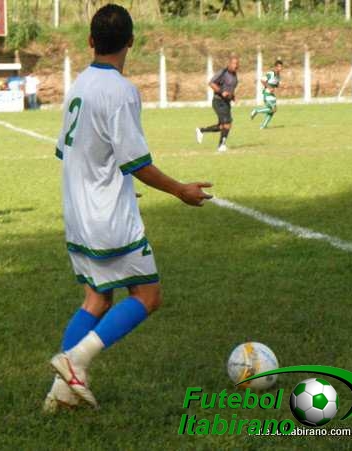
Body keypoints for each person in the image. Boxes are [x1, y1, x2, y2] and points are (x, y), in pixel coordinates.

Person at [45, 4, 213, 412]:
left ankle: (60, 393)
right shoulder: (121, 91)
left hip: (78, 211)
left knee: (97, 299)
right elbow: (136, 162)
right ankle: (75, 361)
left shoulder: (79, 83)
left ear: (90, 40)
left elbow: (73, 151)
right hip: (108, 218)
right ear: (132, 41)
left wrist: (112, 186)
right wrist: (180, 190)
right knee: (148, 295)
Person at [195, 56, 240, 152]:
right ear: (229, 64)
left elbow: (230, 90)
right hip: (218, 101)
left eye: (237, 64)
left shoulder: (235, 75)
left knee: (221, 126)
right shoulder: (223, 73)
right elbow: (211, 83)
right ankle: (221, 146)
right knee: (227, 124)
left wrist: (233, 97)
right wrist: (221, 92)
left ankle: (201, 130)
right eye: (234, 63)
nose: (236, 65)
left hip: (226, 102)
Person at [251, 60, 283, 129]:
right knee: (273, 109)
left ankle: (263, 126)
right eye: (279, 67)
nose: (280, 68)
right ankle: (256, 111)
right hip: (267, 94)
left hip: (272, 95)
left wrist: (279, 85)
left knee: (272, 111)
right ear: (275, 67)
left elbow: (276, 85)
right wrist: (269, 87)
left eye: (281, 67)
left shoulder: (278, 76)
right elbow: (262, 80)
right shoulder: (270, 73)